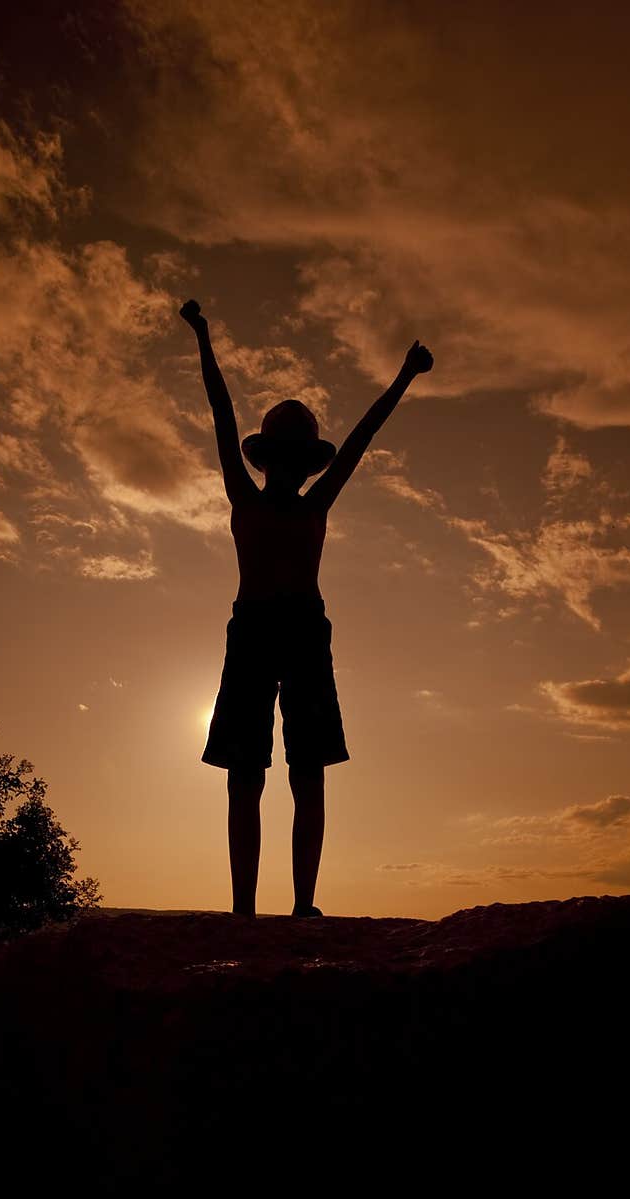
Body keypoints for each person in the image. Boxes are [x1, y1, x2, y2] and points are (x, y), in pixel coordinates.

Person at [180, 298, 433, 918]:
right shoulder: (267, 500)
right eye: (287, 457)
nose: (290, 468)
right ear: (274, 460)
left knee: (302, 770)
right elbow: (221, 411)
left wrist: (404, 376)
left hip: (291, 631)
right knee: (257, 772)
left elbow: (361, 436)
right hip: (267, 629)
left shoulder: (296, 502)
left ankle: (296, 907)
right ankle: (252, 907)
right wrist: (203, 340)